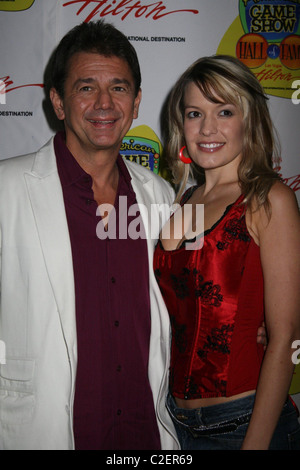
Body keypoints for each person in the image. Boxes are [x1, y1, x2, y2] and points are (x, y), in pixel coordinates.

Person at [0, 20, 179, 450]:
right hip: (42, 431)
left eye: (118, 88)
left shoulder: (161, 195)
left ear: (136, 103)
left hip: (145, 434)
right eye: (85, 87)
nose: (104, 103)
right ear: (58, 102)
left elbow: (186, 291)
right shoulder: (6, 188)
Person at [153, 55, 300, 450]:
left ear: (248, 119)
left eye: (224, 111)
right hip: (174, 420)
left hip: (243, 421)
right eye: (194, 113)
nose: (207, 128)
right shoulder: (182, 199)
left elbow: (285, 335)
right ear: (180, 123)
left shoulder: (269, 198)